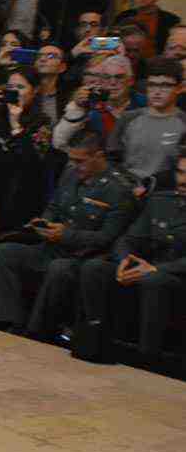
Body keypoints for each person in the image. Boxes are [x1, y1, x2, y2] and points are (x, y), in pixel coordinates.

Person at [0, 130, 137, 339]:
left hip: (85, 258)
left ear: (99, 156)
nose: (74, 166)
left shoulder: (119, 189)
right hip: (53, 247)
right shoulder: (70, 174)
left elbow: (108, 237)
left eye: (80, 161)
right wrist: (44, 223)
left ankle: (37, 331)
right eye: (71, 160)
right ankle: (13, 321)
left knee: (59, 268)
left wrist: (66, 235)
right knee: (3, 252)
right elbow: (54, 206)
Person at [75, 148, 186, 363]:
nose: (183, 181)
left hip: (176, 277)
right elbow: (129, 239)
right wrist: (124, 260)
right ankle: (94, 341)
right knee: (95, 268)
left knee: (155, 280)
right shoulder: (161, 201)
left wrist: (155, 269)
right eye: (181, 173)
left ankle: (147, 358)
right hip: (145, 270)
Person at [0, 65, 57, 233]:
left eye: (20, 87)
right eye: (11, 87)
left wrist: (16, 124)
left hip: (22, 196)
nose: (14, 92)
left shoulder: (42, 123)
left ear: (34, 91)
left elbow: (33, 163)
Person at [108, 57, 186, 192]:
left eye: (165, 85)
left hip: (165, 197)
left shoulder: (184, 123)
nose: (157, 91)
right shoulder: (128, 118)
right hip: (126, 194)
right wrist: (128, 185)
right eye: (152, 85)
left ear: (179, 88)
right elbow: (111, 160)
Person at [114, 0, 182, 59]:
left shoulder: (171, 20)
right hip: (126, 60)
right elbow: (113, 41)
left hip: (157, 64)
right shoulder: (123, 16)